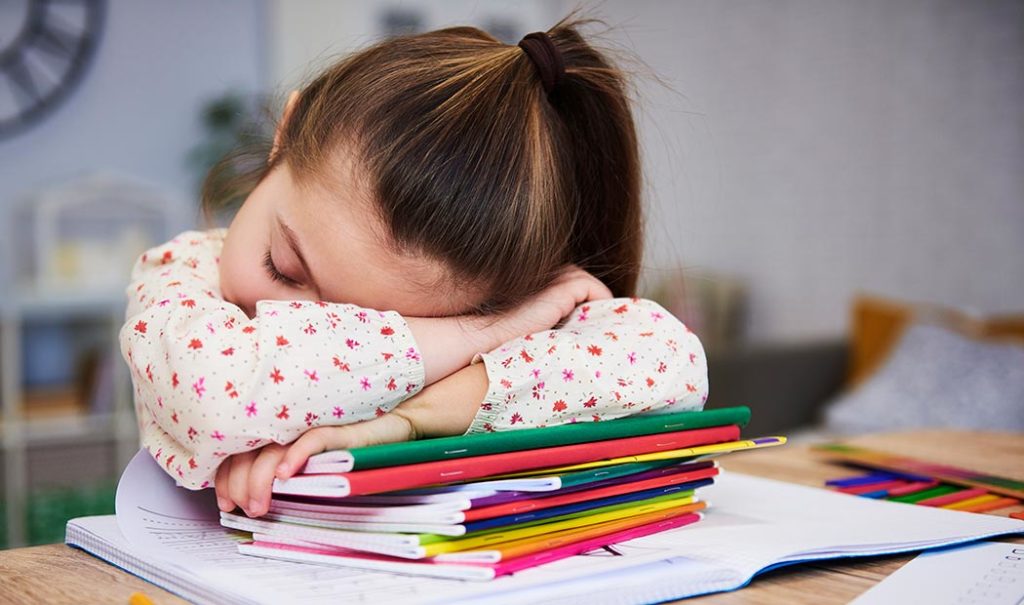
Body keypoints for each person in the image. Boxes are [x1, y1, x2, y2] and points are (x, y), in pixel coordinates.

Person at [119, 16, 708, 519]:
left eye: (367, 320)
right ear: (285, 138)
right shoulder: (181, 271)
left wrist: (400, 422)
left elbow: (672, 366)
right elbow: (220, 396)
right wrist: (480, 336)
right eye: (283, 267)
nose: (294, 322)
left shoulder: (495, 308)